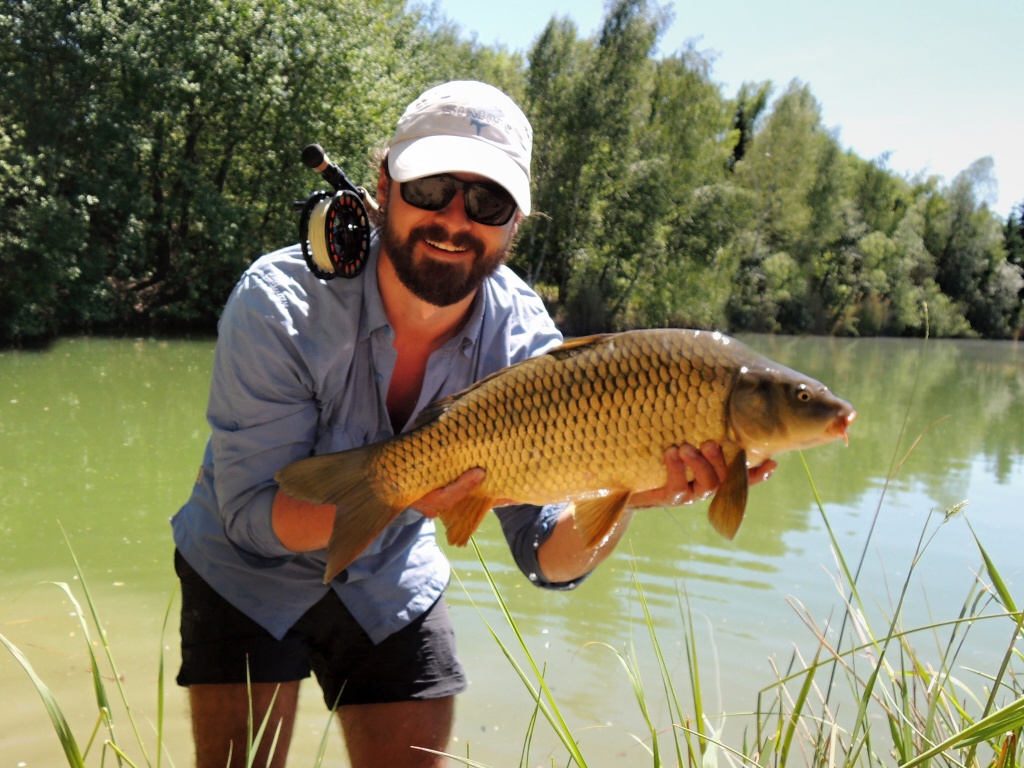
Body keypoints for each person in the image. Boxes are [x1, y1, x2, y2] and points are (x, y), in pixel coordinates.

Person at [170, 80, 775, 768]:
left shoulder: (526, 344)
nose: (456, 218)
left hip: (391, 579)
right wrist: (401, 494)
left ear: (515, 221)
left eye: (489, 201)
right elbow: (250, 515)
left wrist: (627, 493)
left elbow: (546, 557)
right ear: (384, 184)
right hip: (244, 570)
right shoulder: (277, 304)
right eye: (432, 187)